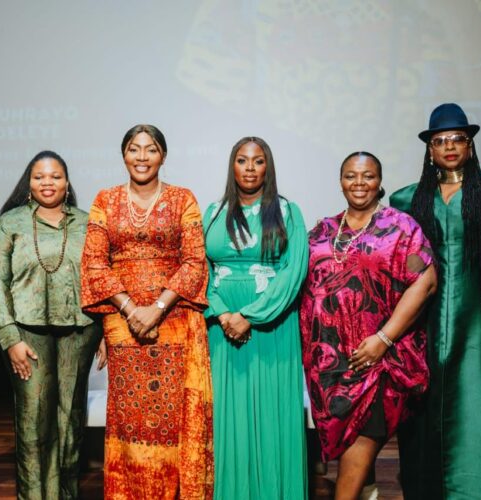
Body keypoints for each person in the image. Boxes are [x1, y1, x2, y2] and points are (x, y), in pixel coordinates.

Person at [391, 103, 481, 500]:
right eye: (440, 141)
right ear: (430, 150)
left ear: (470, 146)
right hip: (431, 317)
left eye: (458, 139)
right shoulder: (409, 200)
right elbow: (410, 260)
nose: (449, 146)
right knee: (432, 410)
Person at [80, 124, 213, 499]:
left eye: (150, 149)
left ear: (163, 156)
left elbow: (194, 262)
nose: (142, 157)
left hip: (175, 321)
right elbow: (93, 263)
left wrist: (155, 308)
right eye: (134, 149)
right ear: (123, 155)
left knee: (174, 419)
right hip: (123, 325)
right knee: (131, 420)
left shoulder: (183, 198)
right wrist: (129, 308)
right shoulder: (104, 201)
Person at [300, 151, 437, 500]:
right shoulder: (322, 229)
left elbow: (425, 282)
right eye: (350, 175)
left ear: (380, 182)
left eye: (368, 176)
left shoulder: (401, 227)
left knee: (365, 432)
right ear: (340, 181)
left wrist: (383, 339)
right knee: (346, 438)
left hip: (376, 357)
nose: (359, 183)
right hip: (329, 362)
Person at [0, 150, 102, 499]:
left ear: (67, 183)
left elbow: (100, 279)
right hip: (26, 335)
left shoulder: (87, 223)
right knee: (35, 424)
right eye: (39, 177)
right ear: (29, 183)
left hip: (80, 331)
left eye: (55, 176)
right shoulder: (9, 224)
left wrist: (106, 330)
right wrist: (9, 339)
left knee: (69, 423)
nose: (47, 183)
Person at [202, 136, 308, 499]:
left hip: (272, 327)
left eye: (258, 161)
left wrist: (250, 316)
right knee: (226, 422)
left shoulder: (288, 212)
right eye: (242, 160)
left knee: (272, 420)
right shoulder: (212, 212)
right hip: (221, 329)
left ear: (268, 167)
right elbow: (198, 270)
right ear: (232, 166)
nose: (250, 168)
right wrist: (221, 312)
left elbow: (293, 272)